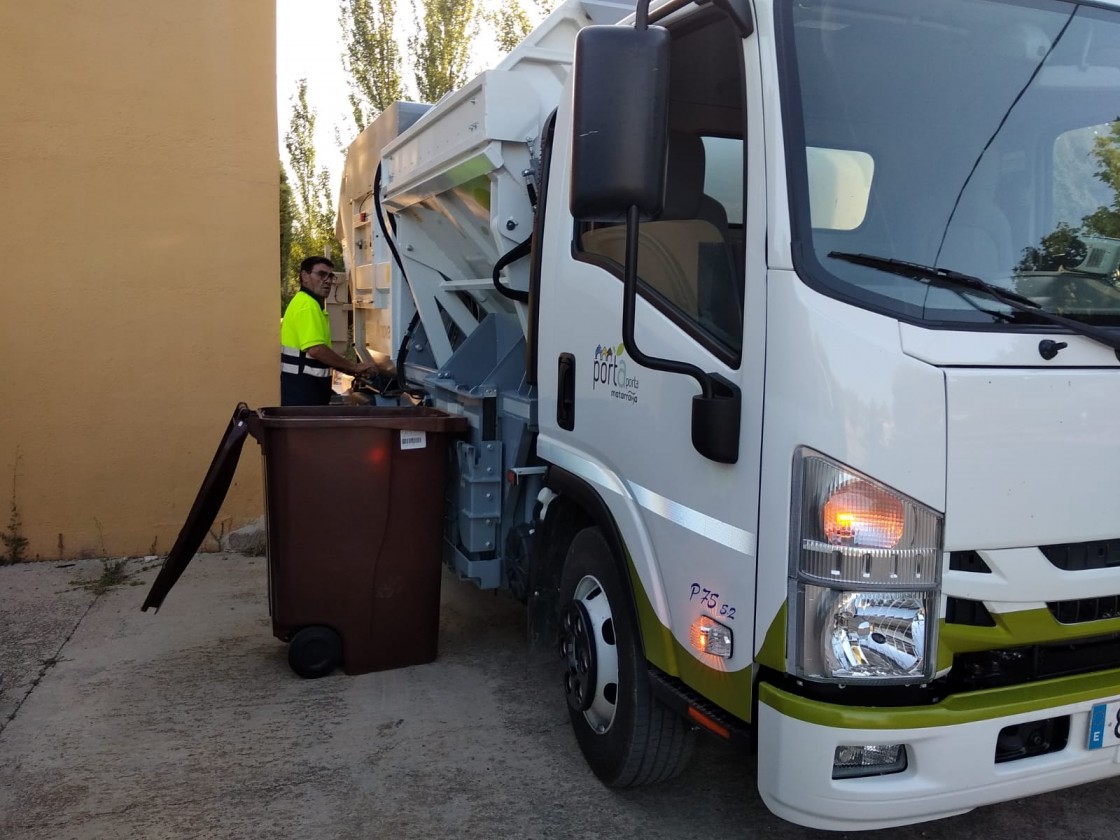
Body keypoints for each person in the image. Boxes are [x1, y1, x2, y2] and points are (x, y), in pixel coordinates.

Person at [280, 256, 379, 406]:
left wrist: (349, 370)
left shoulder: (306, 303)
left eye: (330, 276)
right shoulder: (308, 305)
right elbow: (317, 350)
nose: (327, 280)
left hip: (302, 390)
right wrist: (353, 367)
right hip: (304, 394)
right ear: (304, 276)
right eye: (321, 274)